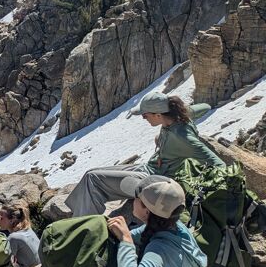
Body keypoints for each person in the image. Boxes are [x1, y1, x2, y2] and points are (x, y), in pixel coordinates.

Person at [65, 92, 224, 216]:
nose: (143, 118)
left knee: (94, 180)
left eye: (145, 115)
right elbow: (204, 107)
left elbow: (218, 163)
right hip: (147, 169)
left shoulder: (182, 137)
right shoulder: (179, 115)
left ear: (158, 115)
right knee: (89, 174)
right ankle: (79, 215)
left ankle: (83, 230)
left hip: (152, 182)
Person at [107, 174, 207, 267]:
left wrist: (126, 241)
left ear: (147, 211)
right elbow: (139, 233)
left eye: (136, 197)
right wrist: (125, 234)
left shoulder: (161, 250)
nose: (132, 200)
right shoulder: (174, 226)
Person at [0, 201, 41, 267]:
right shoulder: (27, 229)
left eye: (1, 218)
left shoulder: (13, 237)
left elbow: (3, 261)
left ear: (12, 220)